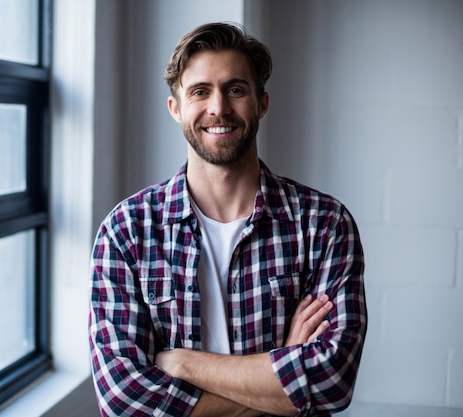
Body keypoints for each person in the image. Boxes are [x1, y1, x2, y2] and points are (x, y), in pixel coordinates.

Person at [89, 22, 367, 417]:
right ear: (176, 108)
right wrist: (283, 369)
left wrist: (182, 363)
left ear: (262, 104)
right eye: (200, 92)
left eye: (235, 89)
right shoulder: (126, 231)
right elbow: (124, 400)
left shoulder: (323, 224)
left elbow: (331, 382)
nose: (218, 107)